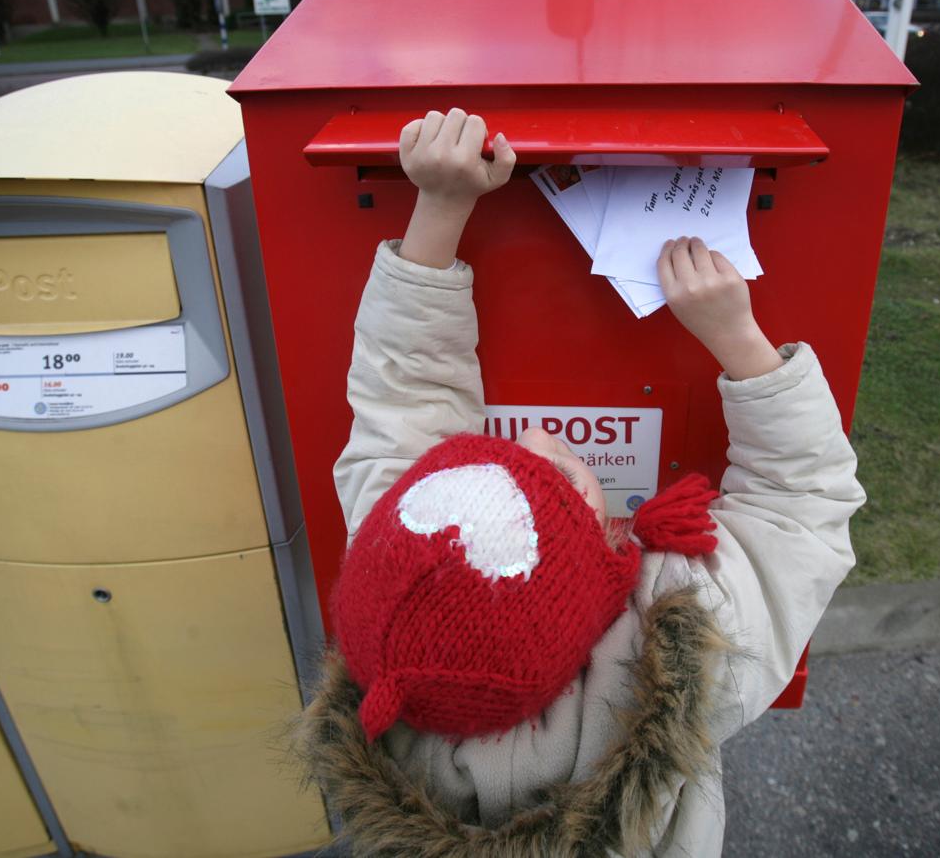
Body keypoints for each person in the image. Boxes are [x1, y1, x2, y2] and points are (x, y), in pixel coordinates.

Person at [296, 108, 866, 857]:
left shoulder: (398, 646)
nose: (536, 434)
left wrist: (437, 209)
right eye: (562, 479)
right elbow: (802, 511)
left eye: (495, 456)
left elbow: (401, 405)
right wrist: (740, 338)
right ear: (605, 571)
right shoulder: (689, 662)